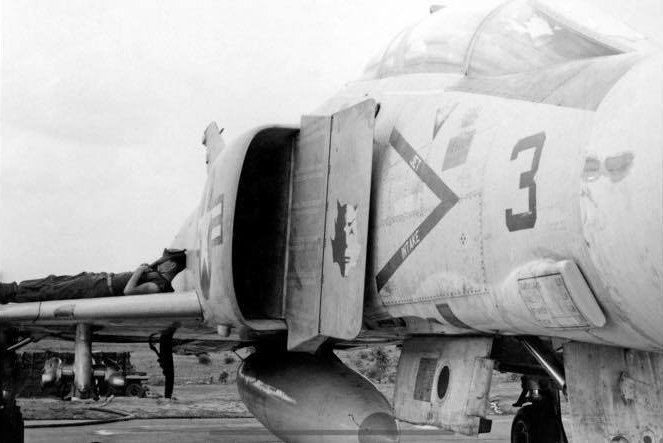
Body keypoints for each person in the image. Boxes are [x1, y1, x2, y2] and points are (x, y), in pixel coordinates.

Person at [0, 249, 186, 304]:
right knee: (53, 281)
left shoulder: (159, 285)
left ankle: (8, 292)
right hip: (99, 281)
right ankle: (10, 289)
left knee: (52, 290)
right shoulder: (158, 279)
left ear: (171, 265)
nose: (159, 263)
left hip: (99, 288)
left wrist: (138, 271)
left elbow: (129, 291)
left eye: (164, 261)